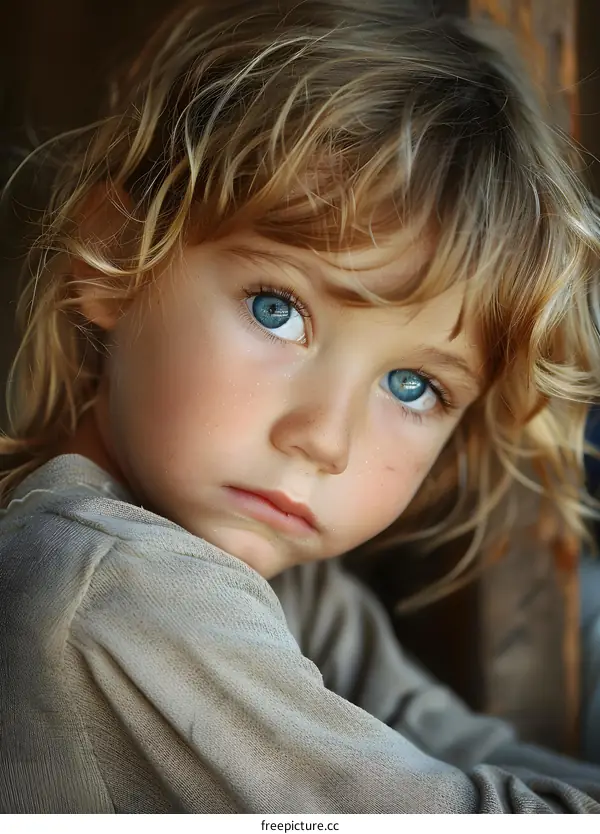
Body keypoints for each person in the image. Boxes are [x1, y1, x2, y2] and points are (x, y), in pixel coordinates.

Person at [1, 0, 600, 814]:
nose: (324, 439)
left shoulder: (289, 581)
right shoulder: (118, 589)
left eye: (413, 386)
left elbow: (454, 745)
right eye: (277, 310)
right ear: (115, 254)